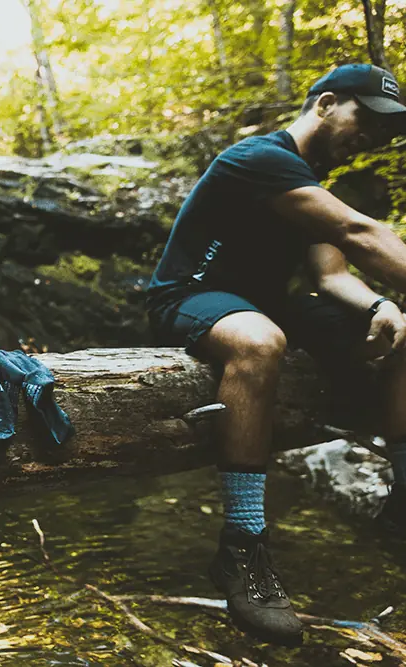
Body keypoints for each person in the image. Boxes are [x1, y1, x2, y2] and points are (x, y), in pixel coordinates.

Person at [146, 63, 406, 643]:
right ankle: (242, 547)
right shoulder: (259, 159)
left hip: (267, 303)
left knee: (402, 329)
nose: (375, 136)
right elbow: (360, 234)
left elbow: (332, 272)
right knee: (261, 340)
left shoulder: (311, 183)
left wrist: (376, 308)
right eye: (367, 117)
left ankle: (403, 505)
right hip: (191, 295)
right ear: (326, 103)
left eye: (388, 131)